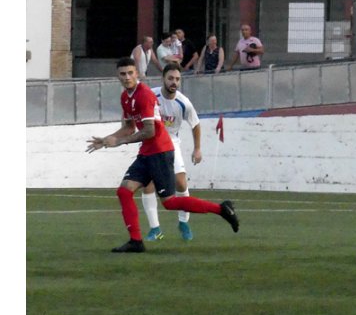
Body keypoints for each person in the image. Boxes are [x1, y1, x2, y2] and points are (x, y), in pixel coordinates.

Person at [85, 57, 240, 253]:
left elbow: (149, 131)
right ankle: (136, 241)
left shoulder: (145, 95)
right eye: (123, 74)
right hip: (147, 152)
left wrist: (120, 141)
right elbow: (129, 127)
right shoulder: (126, 97)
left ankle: (222, 209)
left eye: (130, 73)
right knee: (124, 191)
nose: (127, 77)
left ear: (137, 74)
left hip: (160, 151)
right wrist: (107, 139)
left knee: (170, 202)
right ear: (118, 76)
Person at [141, 64, 202, 242]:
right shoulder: (151, 96)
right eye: (170, 78)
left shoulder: (184, 102)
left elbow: (195, 124)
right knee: (148, 185)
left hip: (171, 143)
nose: (174, 82)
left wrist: (197, 148)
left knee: (181, 184)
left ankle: (183, 223)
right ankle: (155, 229)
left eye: (177, 79)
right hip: (152, 143)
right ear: (163, 79)